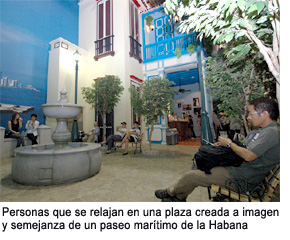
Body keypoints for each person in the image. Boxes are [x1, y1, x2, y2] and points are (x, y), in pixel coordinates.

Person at [154, 97, 279, 202]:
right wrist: (227, 145)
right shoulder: (265, 131)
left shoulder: (271, 133)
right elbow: (247, 149)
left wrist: (229, 144)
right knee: (200, 163)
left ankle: (171, 193)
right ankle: (179, 197)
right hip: (238, 170)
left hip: (241, 179)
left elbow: (249, 155)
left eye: (251, 114)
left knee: (192, 175)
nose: (248, 118)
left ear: (265, 113)